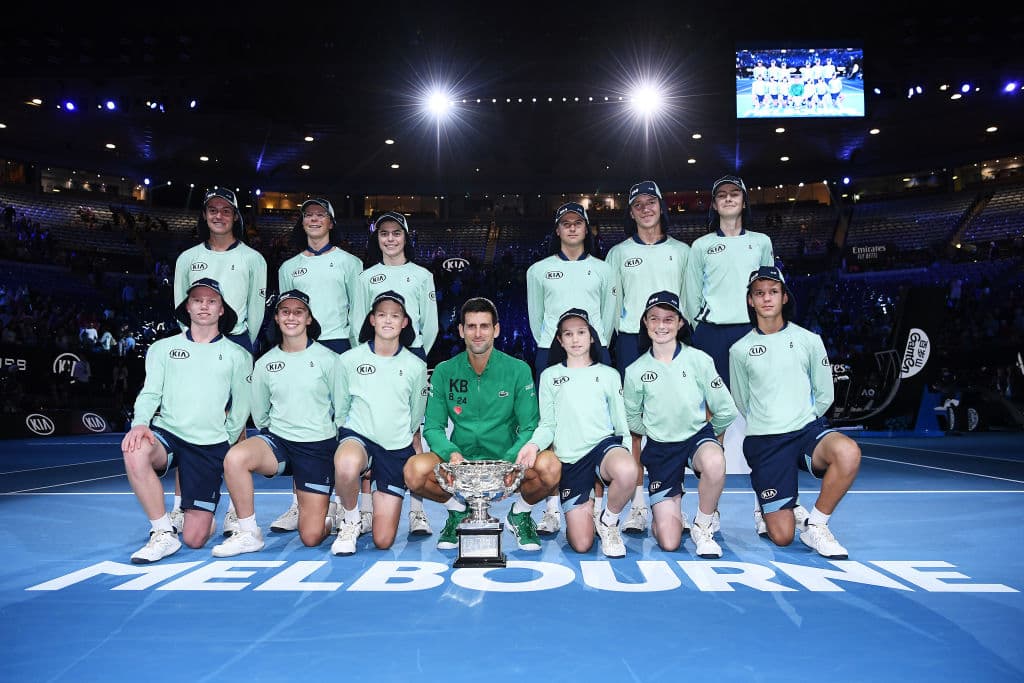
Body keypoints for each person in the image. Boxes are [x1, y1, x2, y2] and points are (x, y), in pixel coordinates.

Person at [403, 297, 560, 552]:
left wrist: (510, 462)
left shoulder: (518, 370)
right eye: (471, 326)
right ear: (461, 330)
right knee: (413, 470)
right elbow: (432, 427)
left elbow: (530, 426)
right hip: (461, 461)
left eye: (484, 326)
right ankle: (458, 513)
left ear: (496, 330)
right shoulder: (444, 371)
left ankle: (519, 514)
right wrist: (451, 454)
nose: (478, 333)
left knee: (551, 466)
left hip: (507, 459)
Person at [729, 267, 861, 558]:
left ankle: (817, 525)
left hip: (805, 433)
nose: (766, 299)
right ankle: (776, 505)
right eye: (759, 293)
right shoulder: (740, 350)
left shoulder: (809, 341)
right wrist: (770, 421)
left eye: (773, 292)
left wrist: (802, 418)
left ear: (784, 297)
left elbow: (825, 392)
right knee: (783, 537)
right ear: (750, 300)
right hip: (766, 443)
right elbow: (742, 400)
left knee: (848, 451)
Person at [121, 278, 251, 563]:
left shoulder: (238, 355)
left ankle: (201, 518)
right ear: (187, 307)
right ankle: (163, 533)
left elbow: (241, 407)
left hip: (208, 445)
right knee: (134, 448)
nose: (204, 305)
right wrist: (140, 423)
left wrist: (225, 440)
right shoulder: (162, 349)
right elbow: (151, 391)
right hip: (168, 434)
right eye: (197, 300)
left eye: (211, 301)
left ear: (221, 310)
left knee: (195, 539)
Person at [210, 290, 339, 557]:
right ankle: (248, 533)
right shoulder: (266, 363)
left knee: (311, 537)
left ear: (309, 319)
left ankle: (329, 517)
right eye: (285, 312)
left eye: (298, 312)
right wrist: (279, 432)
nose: (291, 317)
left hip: (316, 448)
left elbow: (343, 408)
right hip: (279, 442)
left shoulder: (329, 359)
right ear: (278, 319)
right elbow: (260, 414)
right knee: (235, 458)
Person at [171, 187, 266, 533]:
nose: (219, 216)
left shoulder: (253, 259)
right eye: (213, 210)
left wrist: (243, 345)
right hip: (197, 342)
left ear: (236, 216)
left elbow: (256, 310)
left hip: (237, 342)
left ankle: (234, 511)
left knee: (236, 423)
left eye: (226, 210)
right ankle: (183, 506)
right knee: (190, 420)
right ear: (205, 215)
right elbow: (180, 306)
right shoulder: (187, 258)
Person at [267, 198, 362, 535]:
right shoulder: (288, 267)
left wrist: (354, 353)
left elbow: (360, 311)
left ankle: (347, 504)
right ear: (302, 222)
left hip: (338, 346)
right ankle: (300, 503)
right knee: (298, 422)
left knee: (341, 424)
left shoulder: (351, 263)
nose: (314, 220)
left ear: (331, 222)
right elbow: (286, 313)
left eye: (321, 214)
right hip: (301, 345)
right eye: (308, 215)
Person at [605, 180, 690, 534]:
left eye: (650, 202)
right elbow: (612, 305)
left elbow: (688, 300)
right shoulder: (618, 254)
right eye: (637, 203)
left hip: (671, 339)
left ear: (661, 206)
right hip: (630, 340)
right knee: (634, 425)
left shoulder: (683, 251)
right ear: (630, 212)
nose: (645, 208)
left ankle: (674, 501)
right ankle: (639, 504)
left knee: (675, 418)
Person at [623, 292, 737, 557]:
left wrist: (708, 433)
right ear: (645, 322)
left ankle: (703, 525)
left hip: (695, 438)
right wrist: (654, 431)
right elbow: (630, 418)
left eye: (668, 319)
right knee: (669, 541)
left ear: (680, 323)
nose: (661, 325)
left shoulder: (699, 360)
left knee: (714, 461)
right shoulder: (635, 370)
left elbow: (726, 410)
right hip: (661, 450)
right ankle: (670, 504)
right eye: (655, 319)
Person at [525, 202, 615, 535]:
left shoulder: (604, 269)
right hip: (551, 350)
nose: (572, 228)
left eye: (578, 223)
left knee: (598, 425)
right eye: (566, 224)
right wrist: (552, 345)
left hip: (594, 350)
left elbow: (607, 315)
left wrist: (594, 343)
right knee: (552, 424)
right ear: (558, 230)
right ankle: (551, 507)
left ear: (587, 229)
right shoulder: (538, 270)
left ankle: (596, 506)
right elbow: (537, 318)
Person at [518, 309, 635, 558]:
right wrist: (533, 445)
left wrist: (624, 453)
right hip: (571, 461)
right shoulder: (549, 377)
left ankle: (609, 522)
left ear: (592, 337)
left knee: (626, 470)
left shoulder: (609, 375)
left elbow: (621, 425)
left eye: (581, 332)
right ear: (559, 340)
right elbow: (548, 424)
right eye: (568, 334)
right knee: (581, 544)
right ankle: (587, 507)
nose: (575, 339)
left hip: (604, 449)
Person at [350, 211, 438, 536]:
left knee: (413, 432)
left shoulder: (421, 275)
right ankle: (366, 510)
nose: (390, 239)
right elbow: (359, 321)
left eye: (396, 233)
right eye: (384, 233)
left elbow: (430, 323)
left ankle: (418, 510)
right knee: (367, 428)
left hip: (409, 358)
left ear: (405, 237)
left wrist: (414, 355)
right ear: (378, 238)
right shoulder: (365, 277)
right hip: (372, 359)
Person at [331, 290, 429, 555]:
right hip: (359, 437)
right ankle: (350, 522)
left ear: (404, 323)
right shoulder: (348, 360)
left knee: (383, 540)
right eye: (382, 314)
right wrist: (347, 434)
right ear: (372, 319)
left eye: (395, 316)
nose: (388, 320)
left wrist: (406, 440)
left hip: (395, 449)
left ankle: (372, 504)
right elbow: (340, 408)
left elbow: (415, 413)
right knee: (346, 463)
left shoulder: (415, 366)